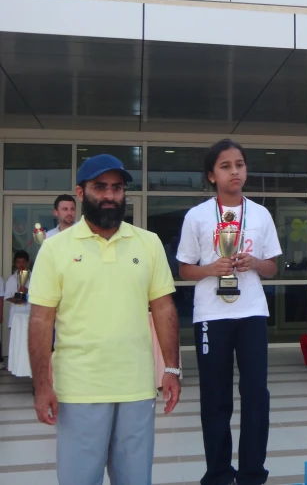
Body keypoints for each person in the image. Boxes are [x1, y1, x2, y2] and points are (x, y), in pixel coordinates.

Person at [28, 154, 181, 485]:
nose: (110, 195)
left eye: (117, 187)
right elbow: (41, 320)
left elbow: (164, 307)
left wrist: (171, 367)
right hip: (79, 390)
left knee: (135, 480)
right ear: (80, 193)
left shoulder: (149, 243)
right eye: (100, 187)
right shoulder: (55, 249)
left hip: (137, 388)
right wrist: (42, 386)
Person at [177, 139, 282, 485]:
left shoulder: (261, 213)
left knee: (255, 396)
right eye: (225, 166)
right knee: (215, 397)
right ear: (211, 175)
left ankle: (253, 473)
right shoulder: (197, 217)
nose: (234, 171)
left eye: (239, 164)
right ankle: (220, 473)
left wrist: (253, 262)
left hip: (251, 314)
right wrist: (211, 268)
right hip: (212, 316)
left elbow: (272, 268)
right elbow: (184, 269)